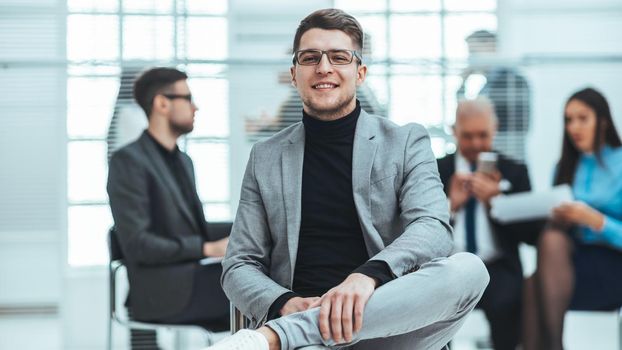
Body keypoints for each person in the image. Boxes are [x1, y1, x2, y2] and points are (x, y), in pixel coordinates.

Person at [205, 9, 489, 350]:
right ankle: (301, 330)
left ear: (360, 72)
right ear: (294, 74)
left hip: (387, 328)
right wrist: (284, 303)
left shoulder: (405, 142)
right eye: (310, 58)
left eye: (339, 57)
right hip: (303, 318)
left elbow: (432, 228)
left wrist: (367, 276)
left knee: (470, 270)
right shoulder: (266, 156)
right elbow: (239, 264)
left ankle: (283, 335)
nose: (324, 67)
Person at [106, 67, 231, 347]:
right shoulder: (128, 162)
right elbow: (138, 244)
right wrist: (207, 249)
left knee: (262, 278)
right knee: (254, 287)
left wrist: (250, 229)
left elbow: (197, 228)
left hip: (192, 277)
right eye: (187, 98)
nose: (195, 107)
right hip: (161, 290)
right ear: (162, 103)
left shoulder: (184, 161)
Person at [437, 98, 543, 350]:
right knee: (433, 311)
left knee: (509, 303)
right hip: (445, 266)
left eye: (483, 135)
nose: (475, 144)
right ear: (454, 131)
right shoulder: (433, 170)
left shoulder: (514, 171)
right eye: (468, 136)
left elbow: (532, 235)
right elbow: (416, 227)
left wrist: (497, 202)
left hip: (497, 267)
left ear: (494, 130)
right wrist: (450, 204)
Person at [522, 87, 622, 350]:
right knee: (534, 279)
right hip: (571, 263)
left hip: (613, 264)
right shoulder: (565, 166)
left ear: (602, 120)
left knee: (539, 277)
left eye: (582, 118)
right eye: (568, 119)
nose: (573, 126)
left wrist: (594, 220)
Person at [457, 30, 531, 163]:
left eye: (473, 52)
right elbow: (464, 114)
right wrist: (463, 82)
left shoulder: (513, 81)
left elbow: (521, 126)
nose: (471, 59)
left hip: (508, 159)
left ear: (491, 47)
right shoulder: (487, 86)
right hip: (491, 158)